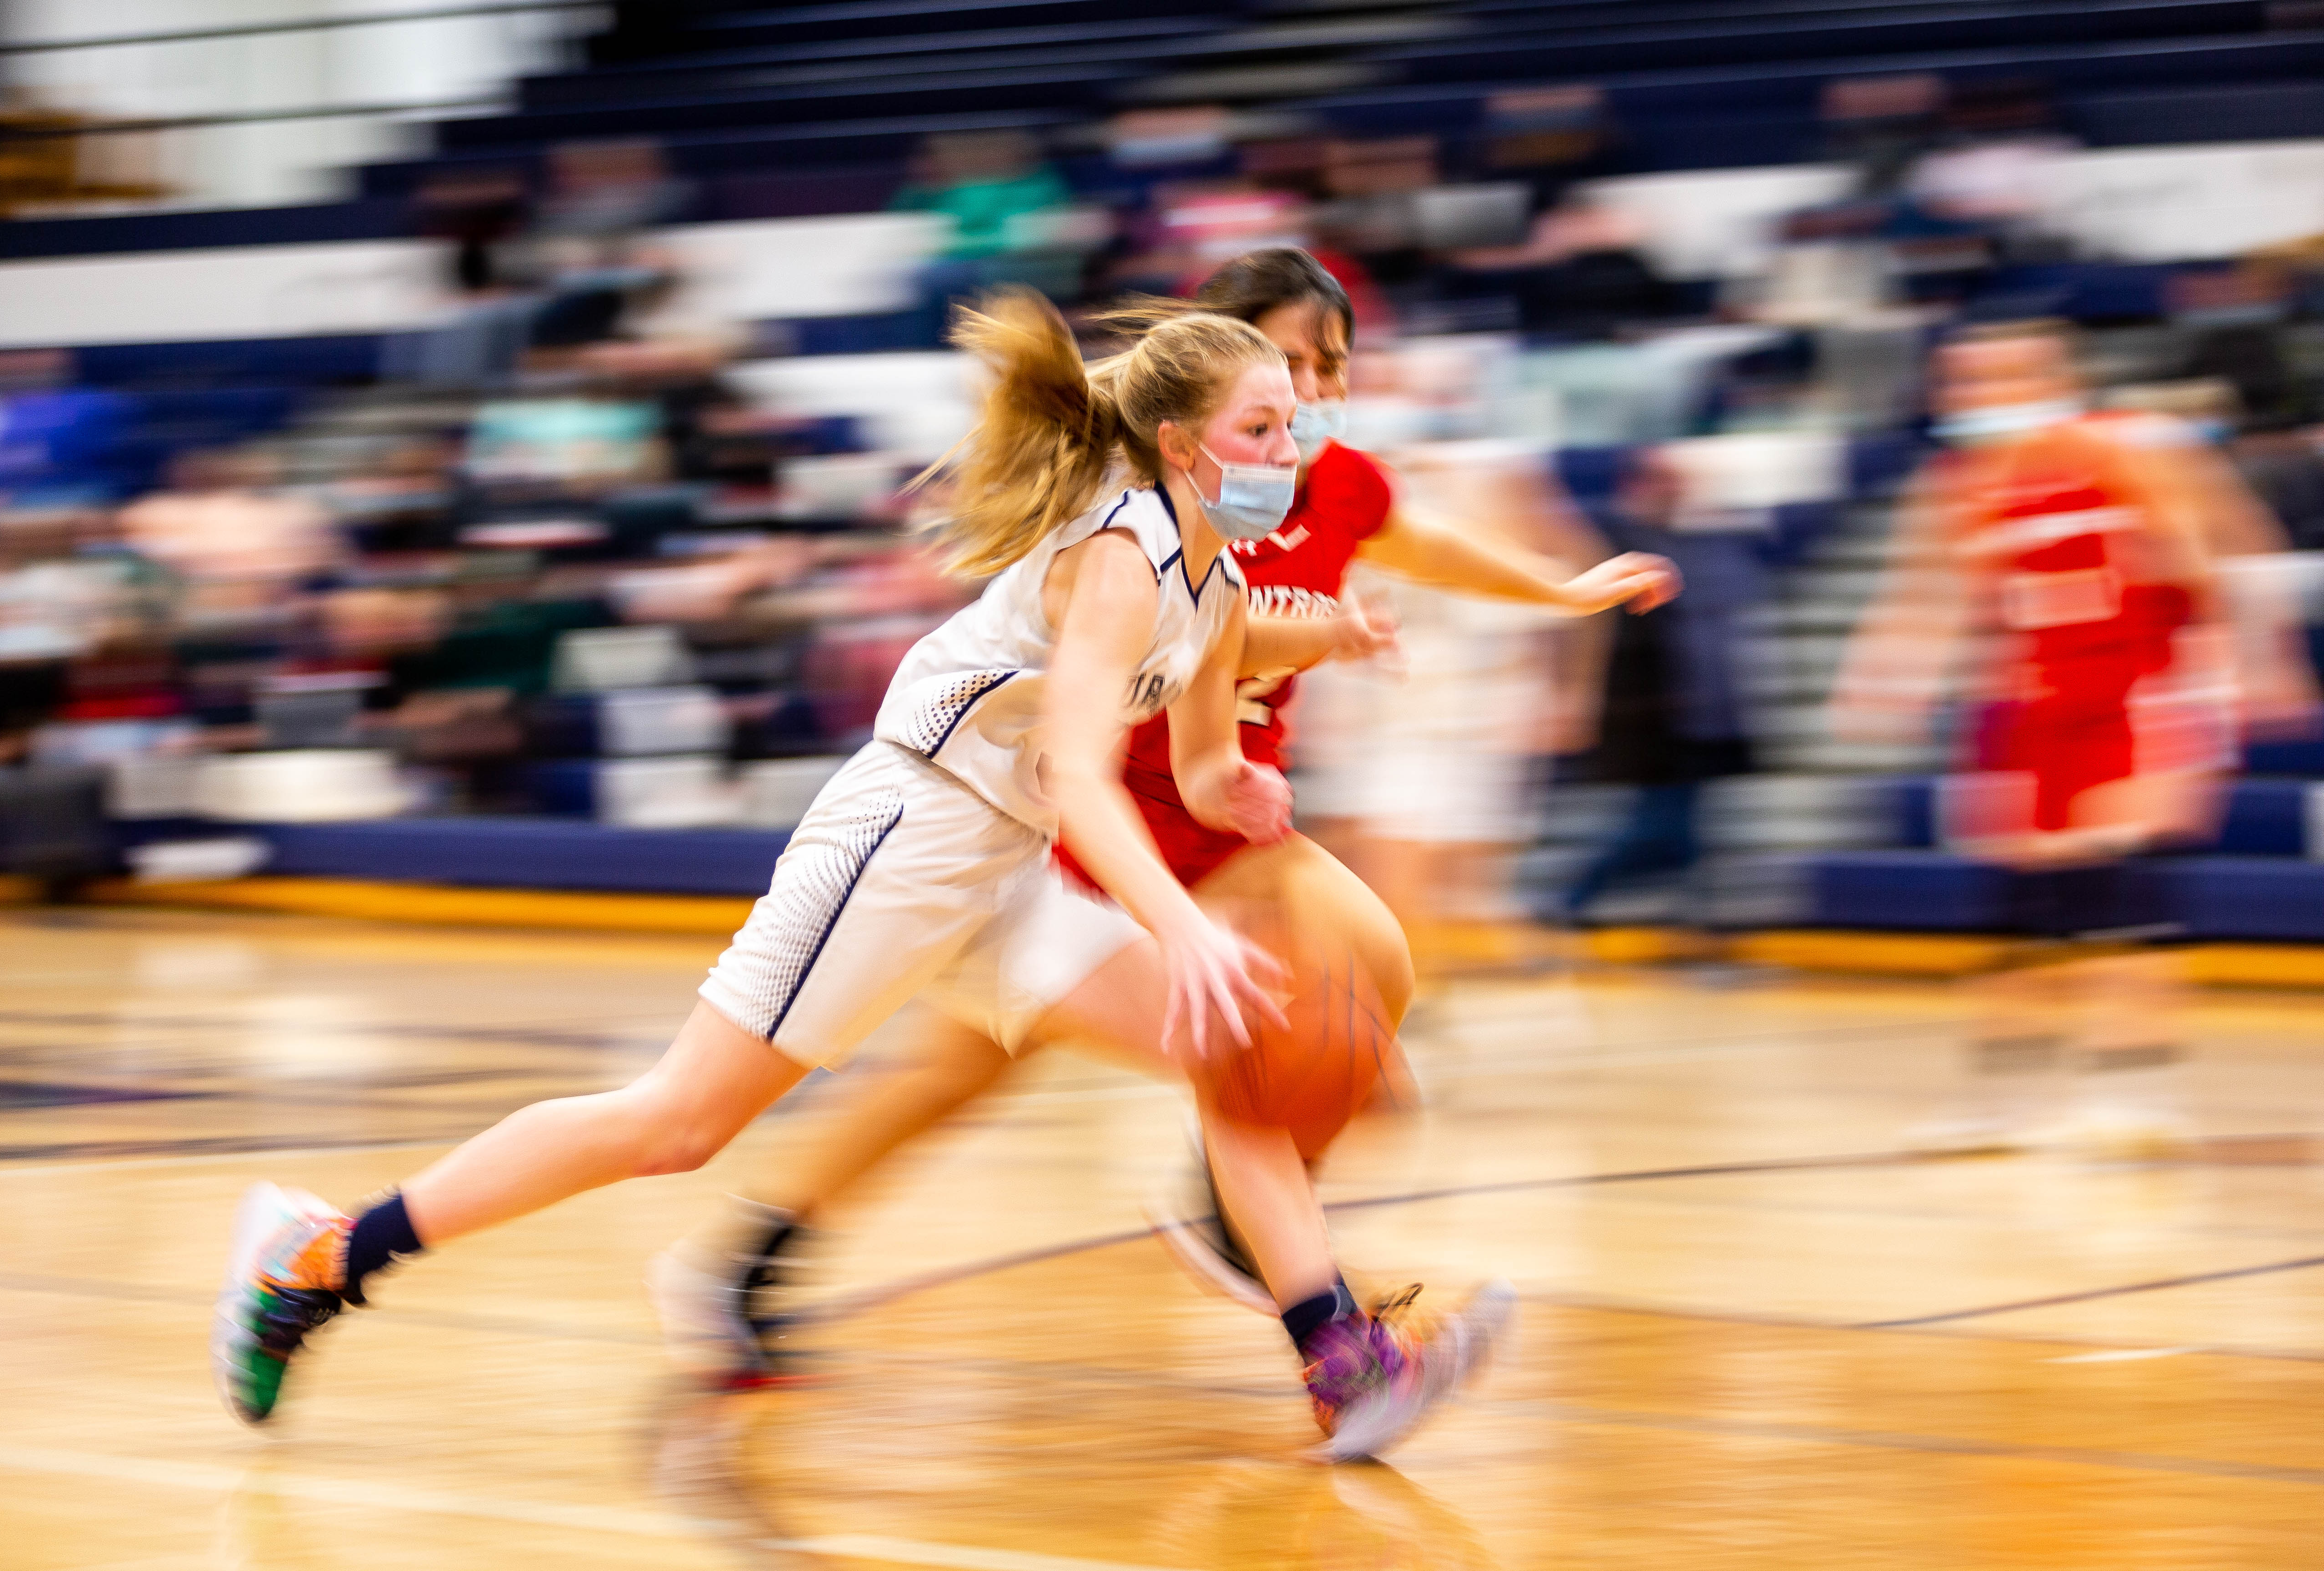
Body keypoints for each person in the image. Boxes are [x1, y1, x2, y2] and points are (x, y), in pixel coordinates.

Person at [214, 289, 1507, 1461]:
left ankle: (1341, 1362)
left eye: (1294, 427)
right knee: (676, 1124)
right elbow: (1081, 775)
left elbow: (1206, 763)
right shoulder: (1118, 556)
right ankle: (314, 1260)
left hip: (1001, 866)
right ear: (1183, 443)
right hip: (907, 831)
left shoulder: (1214, 579)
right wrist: (1180, 923)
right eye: (1267, 429)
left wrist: (1250, 790)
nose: (1294, 455)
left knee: (1229, 1047)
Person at [675, 248, 1675, 1364]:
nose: (1314, 388)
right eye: (1292, 360)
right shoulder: (1154, 504)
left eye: (1331, 367)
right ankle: (753, 1260)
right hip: (1098, 818)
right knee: (958, 1076)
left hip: (1226, 806)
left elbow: (1435, 549)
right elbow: (1176, 641)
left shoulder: (1336, 484)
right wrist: (1330, 635)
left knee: (1367, 980)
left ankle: (1252, 1232)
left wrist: (1560, 592)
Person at [1834, 319, 2316, 1151]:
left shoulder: (2125, 450)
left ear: (2052, 379)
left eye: (1998, 378)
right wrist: (1888, 671)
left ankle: (2136, 1097)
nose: (1977, 397)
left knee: (2120, 898)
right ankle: (2006, 1101)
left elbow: (2225, 546)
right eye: (1963, 382)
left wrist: (2255, 661)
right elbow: (1926, 591)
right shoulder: (1957, 483)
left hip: (2136, 692)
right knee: (2019, 912)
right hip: (2026, 708)